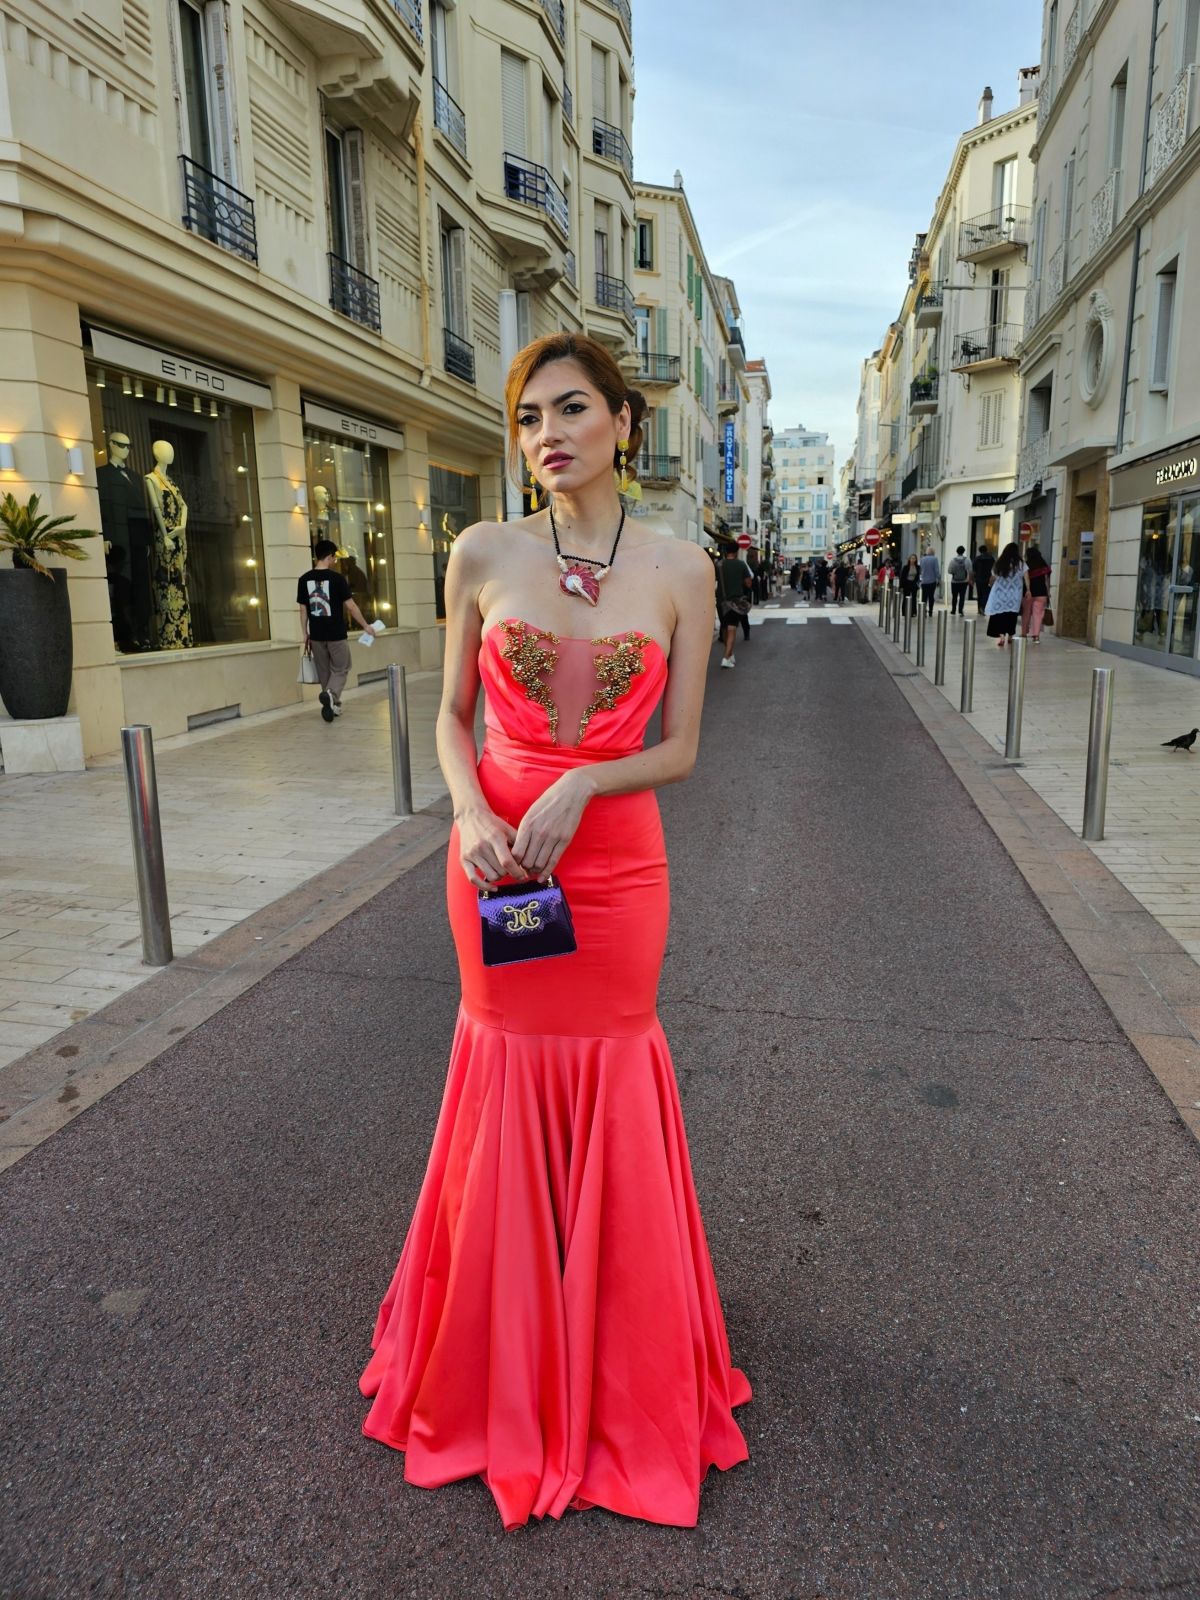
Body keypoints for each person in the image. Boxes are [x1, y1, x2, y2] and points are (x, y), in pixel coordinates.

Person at [357, 332, 750, 1528]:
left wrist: (590, 781)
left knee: (616, 1062)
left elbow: (678, 746)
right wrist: (474, 802)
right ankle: (497, 1361)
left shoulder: (682, 569)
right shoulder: (483, 550)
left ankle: (619, 1367)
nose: (548, 435)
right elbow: (448, 715)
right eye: (530, 417)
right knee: (506, 1070)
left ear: (625, 423)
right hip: (499, 871)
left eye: (572, 410)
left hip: (619, 872)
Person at [296, 538, 377, 720]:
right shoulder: (337, 579)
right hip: (336, 633)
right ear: (329, 556)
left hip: (316, 634)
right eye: (334, 558)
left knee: (324, 671)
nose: (335, 561)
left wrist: (304, 633)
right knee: (341, 668)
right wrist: (366, 626)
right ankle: (331, 696)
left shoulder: (304, 579)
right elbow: (351, 607)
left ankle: (333, 706)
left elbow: (302, 610)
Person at [716, 541, 754, 667]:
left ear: (726, 551)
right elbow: (748, 583)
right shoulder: (741, 564)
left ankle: (730, 654)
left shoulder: (719, 565)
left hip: (721, 601)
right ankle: (726, 658)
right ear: (737, 552)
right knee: (732, 630)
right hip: (734, 602)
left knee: (725, 628)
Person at [984, 540, 1026, 647]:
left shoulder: (1000, 562)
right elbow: (1027, 577)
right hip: (1014, 594)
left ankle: (1002, 636)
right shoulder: (1021, 563)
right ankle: (1011, 636)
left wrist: (990, 584)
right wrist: (1029, 590)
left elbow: (993, 577)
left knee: (1000, 615)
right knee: (1012, 615)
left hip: (1000, 594)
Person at [1021, 543, 1053, 643]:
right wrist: (1048, 592)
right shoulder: (1044, 566)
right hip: (1041, 593)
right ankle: (1036, 636)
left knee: (1026, 613)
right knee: (1038, 615)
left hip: (1027, 593)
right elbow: (1047, 581)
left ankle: (1023, 634)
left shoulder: (1026, 565)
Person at [947, 545, 971, 616]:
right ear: (964, 551)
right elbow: (970, 570)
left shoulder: (953, 560)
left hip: (954, 581)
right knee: (962, 596)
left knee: (954, 596)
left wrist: (955, 572)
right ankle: (960, 610)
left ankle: (953, 610)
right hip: (964, 581)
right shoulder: (967, 560)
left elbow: (949, 571)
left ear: (956, 551)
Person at [918, 545, 940, 616]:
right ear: (933, 552)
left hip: (924, 581)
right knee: (931, 596)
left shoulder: (922, 559)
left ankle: (924, 610)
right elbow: (936, 570)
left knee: (924, 597)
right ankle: (930, 611)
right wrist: (939, 578)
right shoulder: (935, 559)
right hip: (932, 581)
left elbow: (920, 570)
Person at [972, 545, 995, 615]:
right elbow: (994, 568)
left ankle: (979, 608)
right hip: (988, 578)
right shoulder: (991, 558)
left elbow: (974, 570)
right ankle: (983, 607)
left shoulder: (977, 559)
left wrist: (973, 578)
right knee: (986, 594)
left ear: (979, 551)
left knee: (979, 594)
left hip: (979, 579)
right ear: (986, 550)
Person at [898, 552, 921, 617]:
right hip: (907, 584)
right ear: (909, 559)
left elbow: (919, 576)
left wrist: (918, 584)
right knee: (906, 598)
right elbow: (902, 577)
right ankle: (904, 612)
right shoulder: (906, 567)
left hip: (914, 584)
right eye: (912, 558)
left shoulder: (918, 567)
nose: (913, 560)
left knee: (914, 598)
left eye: (914, 558)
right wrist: (901, 586)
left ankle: (913, 612)